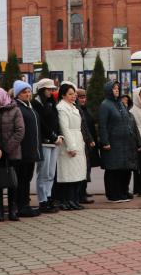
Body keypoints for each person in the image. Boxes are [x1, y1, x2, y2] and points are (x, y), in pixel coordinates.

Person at [99, 80, 139, 202]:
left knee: (124, 169)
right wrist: (105, 142)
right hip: (112, 143)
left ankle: (123, 191)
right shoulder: (105, 105)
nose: (116, 90)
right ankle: (113, 194)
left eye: (117, 88)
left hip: (125, 143)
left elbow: (128, 121)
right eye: (114, 88)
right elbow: (103, 125)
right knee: (113, 169)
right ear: (108, 90)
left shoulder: (120, 104)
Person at [0, 87, 25, 221]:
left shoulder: (15, 110)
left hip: (12, 152)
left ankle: (12, 209)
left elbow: (20, 131)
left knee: (12, 182)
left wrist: (6, 149)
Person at [54, 82, 87, 210]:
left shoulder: (73, 107)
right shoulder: (62, 108)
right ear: (63, 95)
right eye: (70, 94)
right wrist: (71, 147)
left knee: (77, 174)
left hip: (77, 140)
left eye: (74, 94)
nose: (74, 96)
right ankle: (66, 200)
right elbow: (65, 128)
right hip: (69, 143)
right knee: (68, 175)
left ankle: (74, 200)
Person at [12, 80, 42, 218]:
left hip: (31, 150)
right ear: (18, 94)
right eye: (24, 92)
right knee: (21, 179)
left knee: (27, 178)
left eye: (29, 91)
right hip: (22, 151)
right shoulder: (17, 107)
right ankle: (21, 206)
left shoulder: (29, 107)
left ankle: (26, 204)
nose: (28, 94)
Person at [32, 79, 62, 213]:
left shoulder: (51, 102)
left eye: (52, 89)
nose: (51, 91)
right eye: (49, 89)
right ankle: (42, 200)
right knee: (43, 172)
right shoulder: (36, 103)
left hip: (54, 142)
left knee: (51, 173)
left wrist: (59, 135)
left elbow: (56, 120)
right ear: (42, 90)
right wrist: (53, 136)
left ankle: (49, 197)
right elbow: (42, 123)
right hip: (44, 142)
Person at [75, 88, 99, 202]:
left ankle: (83, 191)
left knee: (87, 168)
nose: (83, 99)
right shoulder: (77, 110)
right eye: (80, 97)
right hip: (82, 143)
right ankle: (80, 193)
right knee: (82, 168)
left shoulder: (85, 109)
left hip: (89, 143)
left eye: (84, 97)